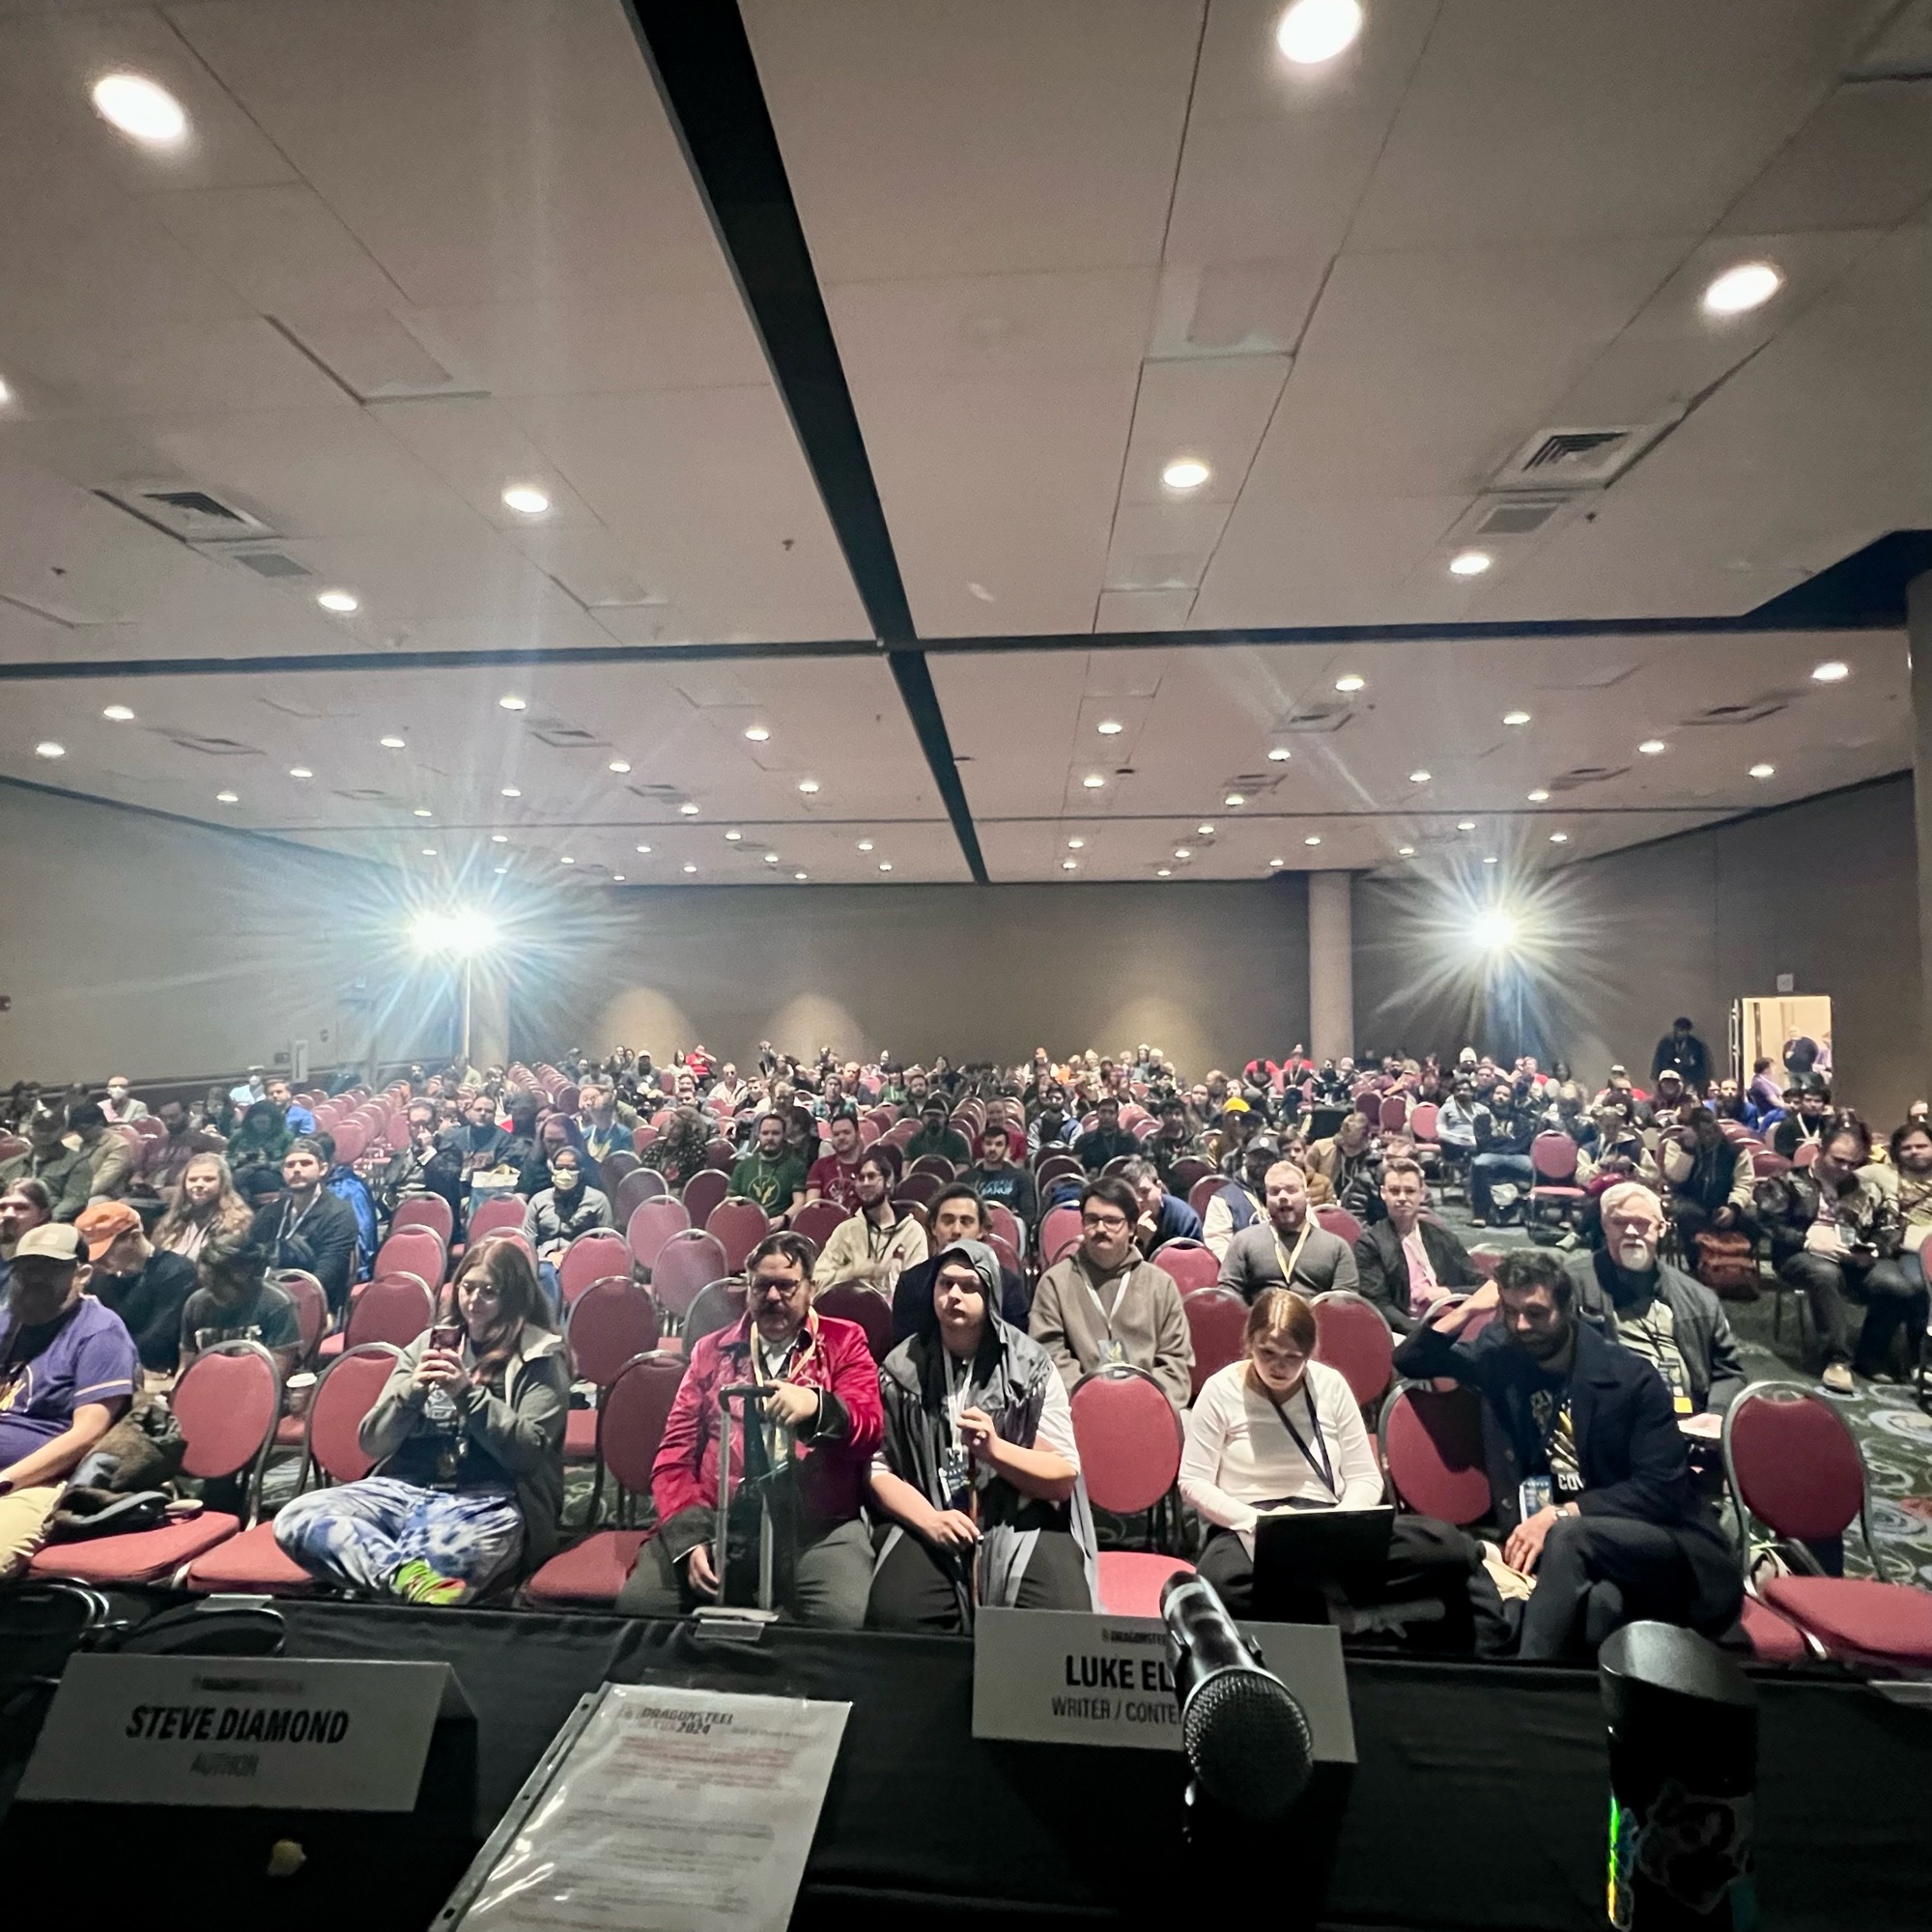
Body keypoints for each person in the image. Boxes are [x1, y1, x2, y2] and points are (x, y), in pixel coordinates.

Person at [1393, 1249, 1741, 1661]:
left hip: (1658, 1540)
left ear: (1568, 1308)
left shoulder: (1629, 1378)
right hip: (1565, 1554)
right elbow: (1411, 1359)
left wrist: (1561, 1514)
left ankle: (1529, 1683)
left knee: (1569, 1535)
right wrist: (1468, 1309)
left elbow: (1661, 1489)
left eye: (1536, 1313)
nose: (1522, 1325)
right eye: (1510, 1312)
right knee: (1599, 1608)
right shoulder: (1503, 1359)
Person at [1179, 1286, 1496, 1648]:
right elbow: (1193, 1481)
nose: (1279, 1366)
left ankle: (1328, 1611)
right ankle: (1359, 1619)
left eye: (1292, 1357)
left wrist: (1342, 1522)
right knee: (1222, 1582)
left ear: (1309, 1353)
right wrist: (1255, 1521)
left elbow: (1365, 1476)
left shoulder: (1330, 1385)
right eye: (1267, 1353)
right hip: (1250, 1524)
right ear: (1249, 1342)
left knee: (1448, 1545)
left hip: (1327, 1520)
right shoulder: (1221, 1390)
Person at [273, 1239, 567, 1604]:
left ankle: (402, 1578)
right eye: (468, 1287)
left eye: (489, 1292)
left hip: (487, 1496)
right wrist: (411, 1392)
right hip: (405, 1487)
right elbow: (373, 1442)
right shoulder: (428, 1346)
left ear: (513, 1298)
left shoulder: (538, 1356)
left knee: (442, 1559)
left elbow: (528, 1454)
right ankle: (405, 1576)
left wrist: (466, 1394)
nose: (473, 1301)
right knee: (297, 1518)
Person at [618, 1232, 883, 1626]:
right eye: (761, 1285)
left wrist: (818, 1406)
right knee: (641, 1605)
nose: (773, 1297)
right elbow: (673, 1456)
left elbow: (870, 1428)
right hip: (720, 1518)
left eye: (786, 1285)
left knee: (840, 1618)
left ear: (810, 1288)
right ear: (747, 1290)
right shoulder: (711, 1350)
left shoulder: (842, 1340)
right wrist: (691, 1537)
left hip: (815, 1525)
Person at [867, 1239, 1094, 1630]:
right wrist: (929, 1520)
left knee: (1064, 1618)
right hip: (930, 1509)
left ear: (990, 1295)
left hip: (1018, 1514)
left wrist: (995, 1451)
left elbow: (1062, 1477)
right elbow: (877, 1470)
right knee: (895, 1615)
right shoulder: (901, 1368)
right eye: (945, 1284)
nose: (954, 1296)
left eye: (969, 1286)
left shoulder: (1031, 1368)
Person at [0, 1223, 141, 1578]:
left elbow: (87, 1434)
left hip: (40, 1482)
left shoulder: (100, 1332)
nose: (33, 1279)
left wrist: (6, 1481)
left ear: (82, 1274)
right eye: (26, 1268)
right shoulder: (8, 1322)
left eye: (49, 1269)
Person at [1760, 1115, 1924, 1393]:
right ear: (1820, 1149)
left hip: (1851, 1256)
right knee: (1825, 1273)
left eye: (1854, 1163)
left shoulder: (1864, 1187)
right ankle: (1837, 1360)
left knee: (1899, 1286)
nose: (1846, 1168)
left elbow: (1889, 1229)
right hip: (1799, 1254)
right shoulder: (1787, 1181)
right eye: (1838, 1160)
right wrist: (1808, 1241)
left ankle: (1871, 1354)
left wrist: (1874, 1248)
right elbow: (1767, 1222)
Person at [1565, 1183, 1746, 1426]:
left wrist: (1716, 1413)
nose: (1630, 1231)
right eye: (1619, 1222)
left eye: (1641, 1223)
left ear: (1661, 1229)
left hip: (1690, 1423)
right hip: (1610, 1425)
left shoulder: (1699, 1297)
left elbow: (1728, 1372)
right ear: (1605, 1227)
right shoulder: (1570, 1286)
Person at [1030, 1177, 1193, 1411]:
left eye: (1111, 1221)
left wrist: (1137, 1403)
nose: (1100, 1229)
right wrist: (1094, 1401)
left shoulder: (1160, 1285)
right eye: (1092, 1220)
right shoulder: (1055, 1283)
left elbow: (1175, 1363)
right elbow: (1049, 1357)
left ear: (1132, 1228)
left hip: (1148, 1410)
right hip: (1078, 1410)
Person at [1353, 1156, 1484, 1334]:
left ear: (1421, 1194)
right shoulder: (1369, 1244)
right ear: (1383, 1193)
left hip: (1453, 1321)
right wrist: (1427, 1334)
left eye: (1410, 1191)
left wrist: (1447, 1292)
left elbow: (1483, 1286)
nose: (1402, 1198)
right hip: (1404, 1332)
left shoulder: (1443, 1237)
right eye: (1394, 1191)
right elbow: (1379, 1305)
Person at [892, 1185, 1030, 1340]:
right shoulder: (910, 1282)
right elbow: (905, 1346)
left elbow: (1016, 1344)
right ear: (933, 1227)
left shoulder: (1008, 1284)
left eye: (966, 1222)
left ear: (981, 1230)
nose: (956, 1230)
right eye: (948, 1221)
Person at [75, 1200, 195, 1378]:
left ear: (134, 1237)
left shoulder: (177, 1272)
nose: (95, 1261)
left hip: (159, 1373)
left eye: (105, 1252)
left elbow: (158, 1343)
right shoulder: (99, 1278)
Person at [1218, 1161, 1358, 1302]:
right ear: (1266, 1199)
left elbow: (1344, 1302)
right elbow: (1228, 1295)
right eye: (1275, 1192)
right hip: (1259, 1314)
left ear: (1307, 1196)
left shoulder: (1336, 1247)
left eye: (1291, 1190)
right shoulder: (1243, 1242)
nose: (1283, 1197)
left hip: (1315, 1315)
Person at [251, 1139, 360, 1314]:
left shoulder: (340, 1214)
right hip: (268, 1299)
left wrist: (283, 1302)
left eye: (305, 1163)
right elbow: (250, 1258)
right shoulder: (270, 1213)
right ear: (283, 1172)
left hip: (318, 1304)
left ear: (322, 1169)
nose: (297, 1169)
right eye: (290, 1165)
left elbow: (326, 1274)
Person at [178, 1231, 303, 1381]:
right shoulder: (196, 1304)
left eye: (218, 1285)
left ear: (242, 1275)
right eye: (206, 1285)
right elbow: (187, 1367)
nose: (212, 1293)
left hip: (261, 1388)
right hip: (210, 1386)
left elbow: (276, 1374)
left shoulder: (277, 1305)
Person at [814, 1149, 927, 1293]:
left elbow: (918, 1288)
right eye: (860, 1178)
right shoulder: (846, 1231)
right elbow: (818, 1281)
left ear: (888, 1181)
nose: (865, 1183)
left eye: (871, 1176)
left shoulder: (912, 1232)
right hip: (851, 1304)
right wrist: (852, 1272)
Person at [1657, 1106, 1754, 1258]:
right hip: (1689, 1200)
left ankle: (1740, 1263)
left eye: (1712, 1131)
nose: (1709, 1137)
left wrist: (1733, 1207)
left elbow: (1744, 1184)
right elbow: (1676, 1177)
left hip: (1725, 1202)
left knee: (1752, 1218)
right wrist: (1688, 1150)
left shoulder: (1736, 1151)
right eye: (1704, 1133)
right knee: (1687, 1215)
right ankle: (1698, 1263)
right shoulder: (1677, 1145)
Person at [152, 1151, 253, 1264]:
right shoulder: (172, 1221)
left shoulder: (237, 1225)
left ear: (223, 1183)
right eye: (192, 1180)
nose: (199, 1184)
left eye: (209, 1179)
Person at [522, 1145, 612, 1260]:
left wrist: (573, 1252)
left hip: (582, 1259)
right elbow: (528, 1240)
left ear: (581, 1171)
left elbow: (606, 1240)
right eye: (559, 1168)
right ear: (553, 1170)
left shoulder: (598, 1200)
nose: (564, 1173)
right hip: (544, 1260)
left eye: (571, 1168)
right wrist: (548, 1254)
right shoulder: (538, 1200)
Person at [0, 1109, 91, 1222]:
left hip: (52, 1221)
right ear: (30, 1129)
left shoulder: (76, 1162)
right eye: (39, 1128)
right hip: (8, 1218)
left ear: (63, 1129)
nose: (44, 1133)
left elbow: (75, 1200)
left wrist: (46, 1219)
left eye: (50, 1128)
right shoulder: (9, 1165)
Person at [1469, 1080, 1535, 1228]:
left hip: (1515, 1156)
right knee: (1478, 1164)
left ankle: (1529, 1212)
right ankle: (1480, 1213)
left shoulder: (1521, 1120)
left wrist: (1500, 1145)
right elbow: (1484, 1142)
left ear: (1511, 1099)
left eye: (1505, 1095)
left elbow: (1523, 1142)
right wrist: (1507, 1144)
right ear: (1492, 1096)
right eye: (1498, 1093)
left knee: (1533, 1167)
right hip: (1490, 1155)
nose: (1501, 1097)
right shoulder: (1482, 1120)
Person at [1203, 1134, 1280, 1259]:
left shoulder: (1288, 1196)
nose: (1262, 1163)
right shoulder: (1223, 1199)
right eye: (1257, 1157)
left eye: (1267, 1159)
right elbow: (1216, 1244)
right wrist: (1241, 1266)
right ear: (1245, 1159)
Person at [729, 1111, 809, 1224]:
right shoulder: (743, 1166)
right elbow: (730, 1201)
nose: (770, 1138)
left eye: (775, 1133)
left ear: (784, 1136)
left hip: (780, 1227)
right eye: (765, 1133)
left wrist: (783, 1218)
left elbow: (800, 1201)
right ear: (758, 1135)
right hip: (746, 1224)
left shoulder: (796, 1166)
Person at [1120, 1156, 1203, 1256]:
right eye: (1132, 1194)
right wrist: (1141, 1241)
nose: (1139, 1199)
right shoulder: (1118, 1217)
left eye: (1144, 1192)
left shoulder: (1184, 1218)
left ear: (1159, 1187)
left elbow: (1193, 1259)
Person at [1304, 1111, 1378, 1216]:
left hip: (1357, 1209)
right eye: (1346, 1145)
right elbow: (1304, 1178)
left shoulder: (1372, 1159)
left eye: (1354, 1148)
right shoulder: (1320, 1148)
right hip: (1323, 1207)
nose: (1349, 1151)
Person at [969, 1121, 1037, 1229]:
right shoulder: (966, 1178)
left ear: (1007, 1148)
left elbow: (1028, 1216)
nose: (992, 1149)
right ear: (982, 1146)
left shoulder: (1021, 1178)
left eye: (999, 1144)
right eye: (988, 1143)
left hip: (1009, 1230)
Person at [65, 1100, 134, 1205]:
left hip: (106, 1196)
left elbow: (102, 1181)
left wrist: (73, 1197)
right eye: (78, 1130)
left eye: (84, 1129)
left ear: (100, 1124)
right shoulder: (76, 1142)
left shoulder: (118, 1145)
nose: (81, 1134)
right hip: (73, 1193)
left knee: (84, 1205)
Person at [0, 1180, 55, 1307]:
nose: (8, 1214)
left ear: (43, 1214)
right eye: (2, 1207)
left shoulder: (51, 1262)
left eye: (20, 1207)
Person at [806, 1110, 867, 1213]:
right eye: (836, 1134)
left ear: (857, 1134)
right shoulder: (820, 1165)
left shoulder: (869, 1164)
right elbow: (812, 1206)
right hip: (826, 1221)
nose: (841, 1137)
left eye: (846, 1132)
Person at [224, 1097, 295, 1174]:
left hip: (275, 1174)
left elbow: (291, 1160)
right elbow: (227, 1157)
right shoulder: (239, 1135)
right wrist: (238, 1161)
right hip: (242, 1173)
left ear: (273, 1122)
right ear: (250, 1121)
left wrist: (268, 1165)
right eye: (258, 1122)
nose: (261, 1126)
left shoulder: (286, 1137)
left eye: (264, 1122)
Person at [1071, 1095, 1137, 1175]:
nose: (1106, 1116)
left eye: (1111, 1113)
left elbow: (1136, 1162)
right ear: (1097, 1114)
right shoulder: (1084, 1140)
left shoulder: (1129, 1138)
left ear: (1117, 1115)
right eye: (1103, 1112)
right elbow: (1074, 1166)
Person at [903, 1097, 972, 1168]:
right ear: (922, 1117)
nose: (933, 1118)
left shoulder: (958, 1140)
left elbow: (962, 1168)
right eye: (929, 1115)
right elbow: (906, 1167)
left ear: (945, 1118)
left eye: (937, 1115)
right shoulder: (914, 1140)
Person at [1650, 1017, 1711, 1095]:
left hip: (1688, 1079)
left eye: (1684, 1030)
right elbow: (1658, 1062)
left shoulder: (1695, 1045)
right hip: (1668, 1078)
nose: (1681, 1032)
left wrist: (1700, 1083)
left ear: (1688, 1031)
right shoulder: (1666, 1043)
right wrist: (1655, 1078)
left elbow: (1700, 1066)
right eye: (1679, 1029)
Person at [1772, 1082, 1832, 1160]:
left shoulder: (1828, 1126)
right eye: (1808, 1100)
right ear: (1801, 1103)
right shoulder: (1788, 1125)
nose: (1813, 1104)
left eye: (1817, 1101)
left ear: (1824, 1105)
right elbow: (1781, 1156)